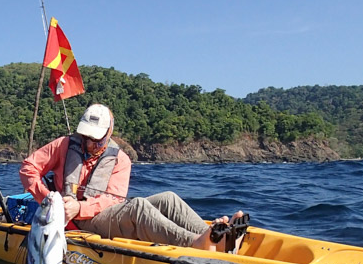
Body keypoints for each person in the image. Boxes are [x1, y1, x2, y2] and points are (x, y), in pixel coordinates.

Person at [19, 103, 244, 252]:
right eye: (86, 137)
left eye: (96, 140)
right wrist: (50, 201)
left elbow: (113, 200)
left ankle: (218, 239)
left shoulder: (120, 159)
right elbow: (28, 168)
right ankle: (195, 243)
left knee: (169, 198)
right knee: (138, 207)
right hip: (74, 223)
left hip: (94, 212)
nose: (89, 144)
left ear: (108, 134)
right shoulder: (63, 145)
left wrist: (79, 206)